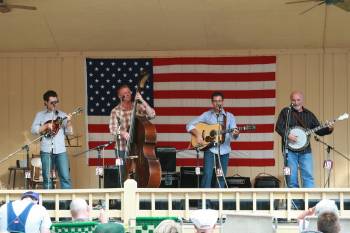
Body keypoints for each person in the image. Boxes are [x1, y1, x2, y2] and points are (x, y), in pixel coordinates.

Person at [275, 90, 333, 188]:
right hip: (289, 151)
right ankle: (296, 203)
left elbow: (318, 130)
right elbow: (278, 127)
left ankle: (309, 202)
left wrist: (329, 128)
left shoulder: (309, 115)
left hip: (305, 151)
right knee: (291, 178)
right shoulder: (286, 112)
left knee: (308, 177)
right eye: (294, 100)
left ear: (302, 100)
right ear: (291, 100)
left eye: (298, 100)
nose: (296, 102)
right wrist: (287, 135)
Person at [186, 92, 239, 188]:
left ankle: (218, 201)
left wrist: (235, 134)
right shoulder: (207, 115)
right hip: (210, 149)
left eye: (219, 101)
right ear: (212, 103)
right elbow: (189, 125)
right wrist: (198, 135)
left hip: (224, 149)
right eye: (215, 101)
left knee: (221, 176)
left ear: (223, 102)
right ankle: (205, 201)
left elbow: (233, 135)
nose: (217, 103)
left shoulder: (229, 116)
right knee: (207, 174)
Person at [109, 84, 156, 183]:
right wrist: (122, 132)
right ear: (120, 96)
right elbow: (112, 129)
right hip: (122, 148)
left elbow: (152, 115)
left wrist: (142, 100)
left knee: (141, 172)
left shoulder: (138, 106)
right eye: (124, 93)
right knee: (123, 174)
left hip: (139, 148)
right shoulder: (115, 111)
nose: (127, 94)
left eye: (129, 92)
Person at [31, 90, 73, 189]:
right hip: (46, 150)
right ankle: (48, 203)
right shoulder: (40, 115)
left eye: (56, 102)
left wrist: (69, 122)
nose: (55, 104)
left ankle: (66, 203)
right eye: (52, 102)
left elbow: (69, 132)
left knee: (65, 177)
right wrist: (45, 126)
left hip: (61, 150)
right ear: (45, 102)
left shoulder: (62, 115)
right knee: (47, 178)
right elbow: (33, 130)